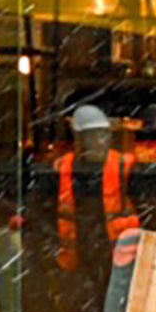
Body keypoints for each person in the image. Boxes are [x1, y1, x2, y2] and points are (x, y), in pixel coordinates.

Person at [54, 104, 139, 276]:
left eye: (105, 134)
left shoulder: (124, 167)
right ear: (79, 139)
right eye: (94, 135)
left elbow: (147, 209)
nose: (102, 141)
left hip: (118, 257)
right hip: (78, 260)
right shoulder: (62, 170)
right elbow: (46, 215)